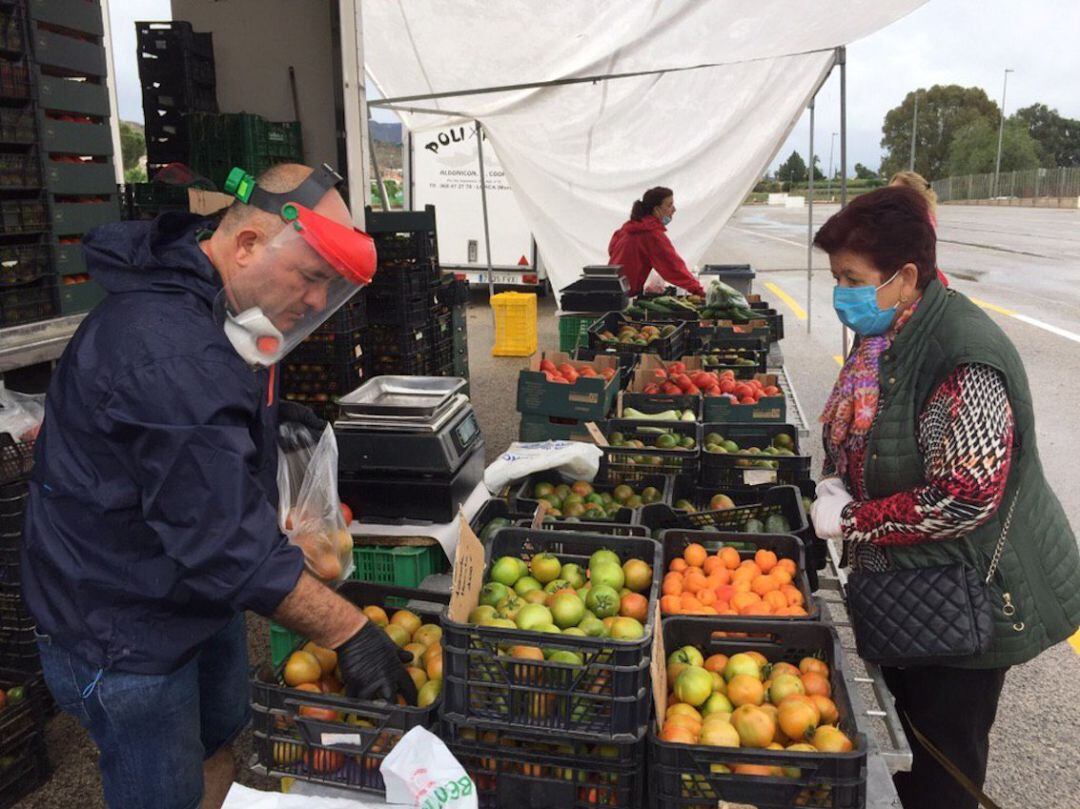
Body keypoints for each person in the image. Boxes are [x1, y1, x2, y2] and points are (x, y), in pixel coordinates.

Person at [21, 163, 417, 809]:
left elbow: (193, 433)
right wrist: (349, 630)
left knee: (216, 740)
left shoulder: (213, 304)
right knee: (160, 786)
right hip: (123, 619)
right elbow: (223, 540)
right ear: (248, 245)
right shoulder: (168, 348)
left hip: (191, 595)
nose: (318, 302)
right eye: (314, 277)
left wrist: (262, 428)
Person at [809, 186, 1080, 809]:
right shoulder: (890, 337)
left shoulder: (963, 355)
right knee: (914, 737)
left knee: (943, 766)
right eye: (834, 277)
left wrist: (851, 517)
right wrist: (842, 474)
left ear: (906, 277)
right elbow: (883, 431)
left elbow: (964, 496)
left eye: (851, 278)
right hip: (918, 583)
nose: (841, 292)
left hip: (973, 598)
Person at [608, 186, 705, 296]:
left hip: (609, 287)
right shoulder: (650, 233)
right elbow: (673, 267)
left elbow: (612, 250)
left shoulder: (629, 227)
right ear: (656, 210)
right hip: (624, 294)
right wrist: (699, 290)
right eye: (669, 205)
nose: (674, 209)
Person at [889, 170, 948, 286]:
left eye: (898, 194)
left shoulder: (919, 224)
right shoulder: (897, 218)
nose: (888, 198)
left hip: (912, 287)